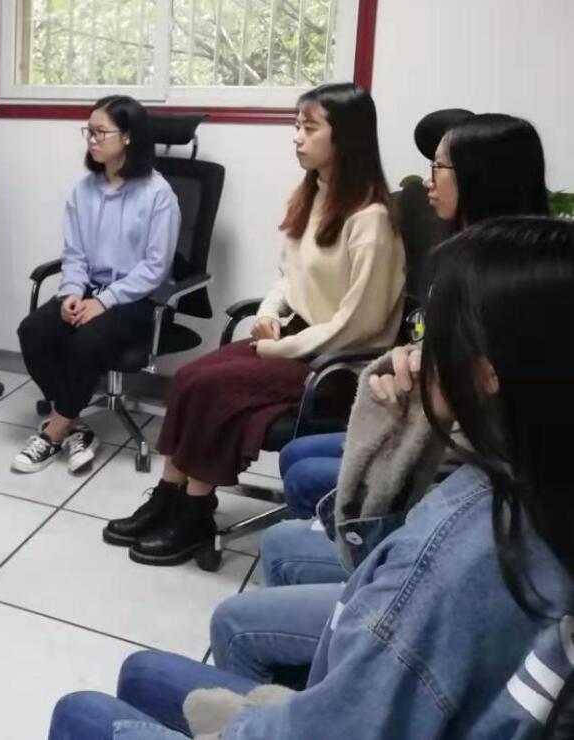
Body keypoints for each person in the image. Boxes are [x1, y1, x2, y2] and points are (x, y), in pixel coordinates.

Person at [50, 216, 574, 740]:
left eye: (430, 333)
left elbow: (339, 718)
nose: (417, 351)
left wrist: (237, 728)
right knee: (143, 672)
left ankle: (191, 509)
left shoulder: (454, 552)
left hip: (319, 356)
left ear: (485, 375)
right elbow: (378, 569)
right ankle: (176, 499)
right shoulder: (533, 469)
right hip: (357, 695)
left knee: (81, 712)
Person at [105, 83, 405, 567]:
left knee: (215, 389)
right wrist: (267, 316)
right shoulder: (313, 196)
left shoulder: (370, 220)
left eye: (310, 128)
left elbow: (361, 323)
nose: (297, 137)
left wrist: (281, 348)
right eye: (296, 126)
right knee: (190, 377)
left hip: (337, 366)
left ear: (346, 136)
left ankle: (196, 512)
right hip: (297, 341)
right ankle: (169, 496)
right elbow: (288, 278)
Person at [263, 111, 551, 589]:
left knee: (303, 475)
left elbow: (480, 399)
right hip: (431, 418)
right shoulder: (458, 250)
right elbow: (433, 348)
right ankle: (328, 563)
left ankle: (343, 573)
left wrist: (425, 382)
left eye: (439, 166)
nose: (428, 180)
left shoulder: (507, 281)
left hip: (459, 454)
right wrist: (410, 359)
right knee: (299, 454)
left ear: (480, 175)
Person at [13, 95, 180, 475]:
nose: (91, 139)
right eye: (88, 131)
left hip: (141, 299)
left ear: (128, 137)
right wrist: (72, 293)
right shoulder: (83, 190)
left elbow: (155, 268)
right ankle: (76, 424)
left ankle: (53, 432)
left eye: (101, 132)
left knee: (85, 340)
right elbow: (74, 255)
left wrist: (104, 302)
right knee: (33, 330)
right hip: (89, 289)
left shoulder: (158, 194)